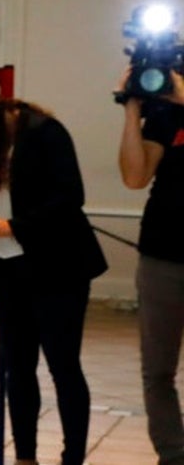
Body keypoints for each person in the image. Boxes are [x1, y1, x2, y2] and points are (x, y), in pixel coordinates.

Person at [0, 78, 107, 465]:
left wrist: (15, 227)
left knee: (63, 366)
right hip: (12, 269)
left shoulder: (44, 132)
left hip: (60, 267)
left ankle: (73, 456)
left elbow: (69, 197)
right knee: (17, 368)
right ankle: (25, 456)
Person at [117, 68, 184, 465]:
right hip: (161, 255)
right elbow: (134, 176)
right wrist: (131, 109)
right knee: (157, 370)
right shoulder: (165, 116)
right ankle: (174, 454)